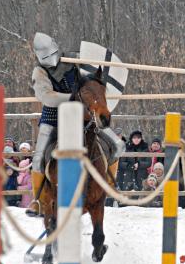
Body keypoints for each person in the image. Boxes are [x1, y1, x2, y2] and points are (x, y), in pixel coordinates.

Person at [26, 32, 124, 216]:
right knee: (38, 159)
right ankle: (38, 201)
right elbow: (46, 96)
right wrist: (73, 97)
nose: (50, 59)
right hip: (53, 118)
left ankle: (109, 185)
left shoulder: (72, 60)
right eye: (45, 56)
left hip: (83, 115)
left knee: (117, 145)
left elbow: (93, 77)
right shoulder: (39, 72)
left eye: (51, 53)